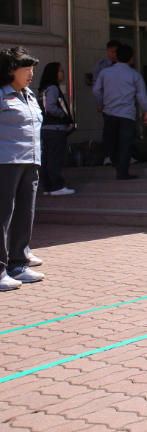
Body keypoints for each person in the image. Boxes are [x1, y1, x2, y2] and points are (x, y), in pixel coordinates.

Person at [0, 47, 45, 290]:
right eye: (25, 70)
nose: (30, 75)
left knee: (24, 213)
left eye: (32, 70)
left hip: (30, 162)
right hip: (5, 162)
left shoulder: (28, 95)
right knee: (2, 215)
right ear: (10, 71)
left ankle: (18, 264)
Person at [93, 44, 147, 181]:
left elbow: (96, 90)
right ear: (131, 59)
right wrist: (146, 111)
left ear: (116, 57)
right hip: (127, 114)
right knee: (125, 143)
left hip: (110, 112)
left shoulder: (105, 72)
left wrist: (100, 104)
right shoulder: (135, 74)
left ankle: (115, 162)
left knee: (110, 141)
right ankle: (122, 171)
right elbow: (141, 95)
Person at [37, 62, 74, 196]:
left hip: (46, 128)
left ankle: (47, 186)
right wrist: (64, 115)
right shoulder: (52, 88)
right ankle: (57, 186)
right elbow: (52, 108)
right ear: (54, 73)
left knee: (47, 157)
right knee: (55, 157)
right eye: (61, 71)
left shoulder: (43, 89)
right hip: (56, 128)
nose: (63, 73)